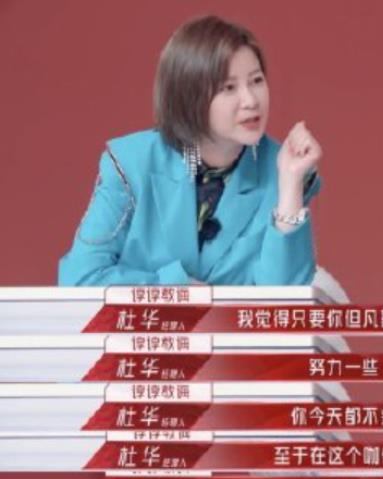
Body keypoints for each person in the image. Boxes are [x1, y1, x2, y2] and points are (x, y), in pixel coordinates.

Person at [59, 15, 322, 286]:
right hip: (147, 316)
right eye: (229, 88)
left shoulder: (281, 167)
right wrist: (178, 290)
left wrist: (290, 184)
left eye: (256, 81)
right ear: (189, 95)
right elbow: (80, 278)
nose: (250, 100)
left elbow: (285, 297)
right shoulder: (133, 164)